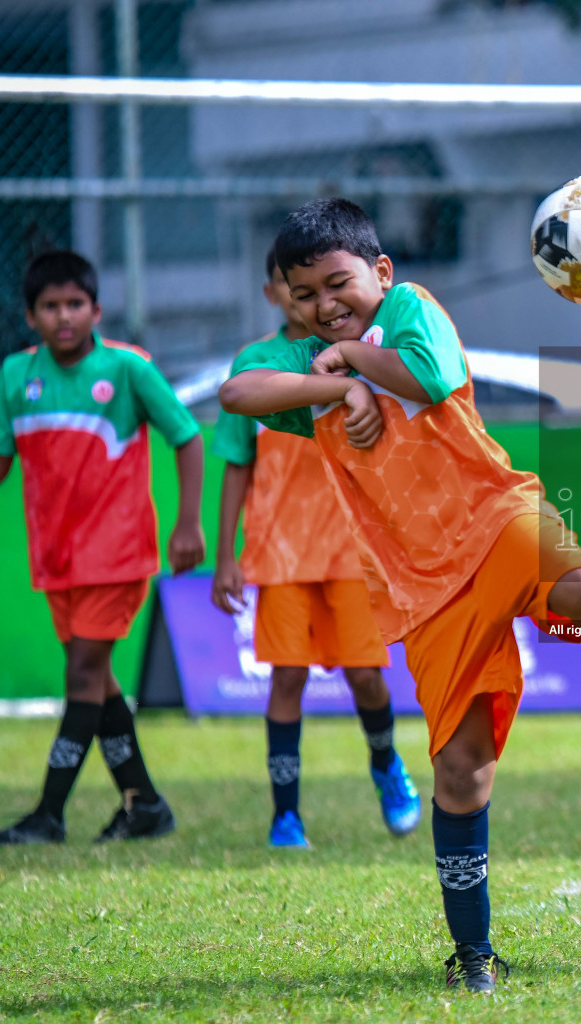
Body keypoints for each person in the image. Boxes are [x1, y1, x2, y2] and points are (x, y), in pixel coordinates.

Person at [218, 198, 581, 994]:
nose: (323, 307)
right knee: (462, 771)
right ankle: (472, 952)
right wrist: (333, 388)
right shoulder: (305, 361)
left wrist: (352, 368)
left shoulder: (410, 310)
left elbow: (430, 376)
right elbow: (236, 393)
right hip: (421, 583)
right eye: (302, 296)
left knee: (580, 589)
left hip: (494, 512)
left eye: (338, 286)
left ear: (380, 272)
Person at [0, 249, 206, 845]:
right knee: (99, 682)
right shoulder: (14, 377)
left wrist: (188, 523)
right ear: (31, 316)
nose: (64, 316)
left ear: (97, 310)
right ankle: (146, 806)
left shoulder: (128, 370)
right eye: (50, 306)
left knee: (82, 671)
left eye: (75, 304)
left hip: (118, 551)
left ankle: (48, 815)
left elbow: (186, 438)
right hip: (56, 557)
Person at [210, 246, 422, 849]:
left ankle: (386, 767)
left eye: (325, 287)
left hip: (352, 548)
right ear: (275, 293)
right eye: (293, 286)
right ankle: (286, 816)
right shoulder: (257, 365)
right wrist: (225, 553)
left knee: (366, 676)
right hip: (279, 551)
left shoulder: (365, 352)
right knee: (286, 680)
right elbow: (235, 462)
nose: (313, 300)